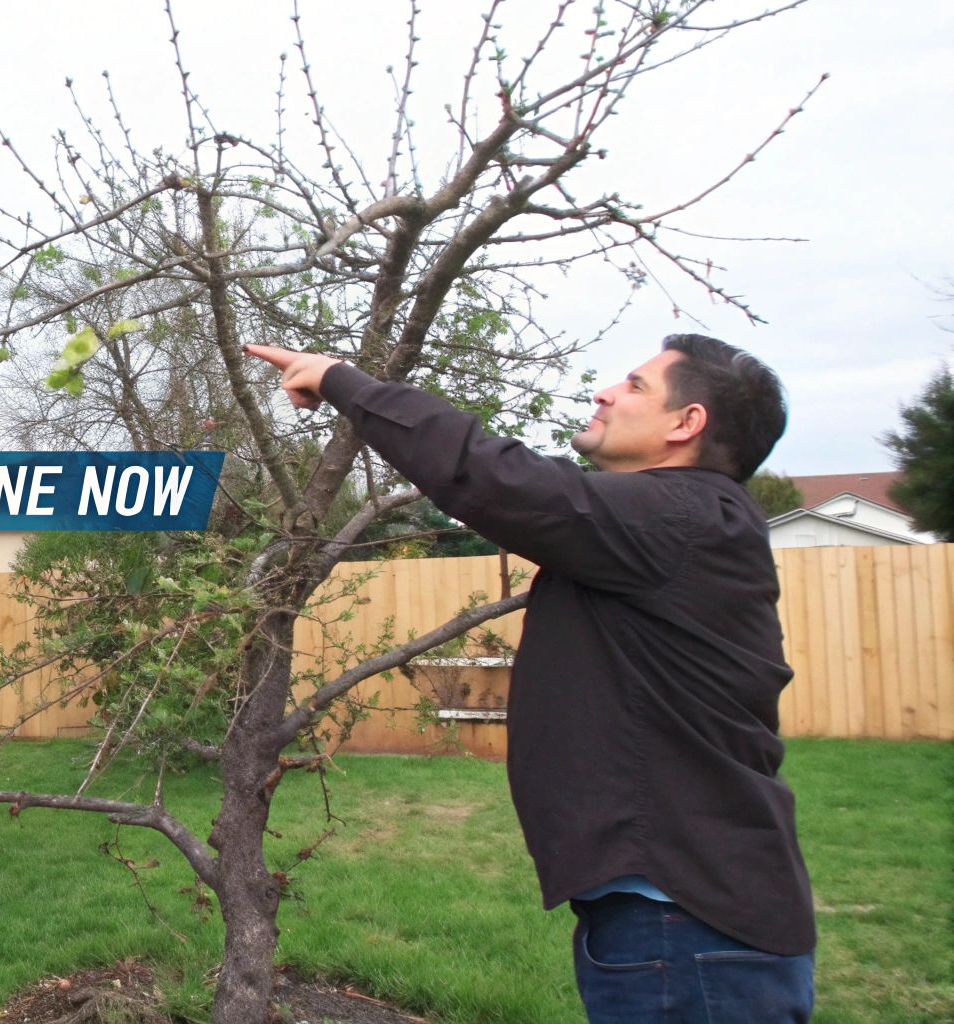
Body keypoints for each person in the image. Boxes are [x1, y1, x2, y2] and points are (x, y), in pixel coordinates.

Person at [246, 337, 814, 1023]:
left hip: (688, 929)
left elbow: (495, 478)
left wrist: (345, 382)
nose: (605, 392)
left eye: (634, 386)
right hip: (676, 922)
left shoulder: (680, 517)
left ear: (685, 423)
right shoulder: (678, 527)